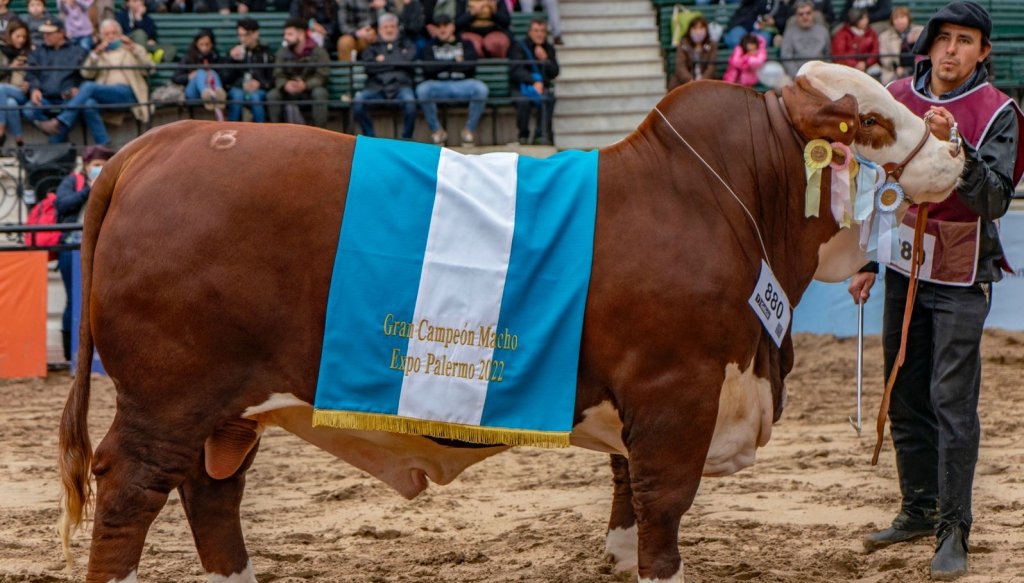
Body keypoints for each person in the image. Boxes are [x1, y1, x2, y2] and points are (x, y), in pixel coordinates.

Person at [850, 2, 1024, 580]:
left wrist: (961, 153)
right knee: (902, 390)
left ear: (983, 52)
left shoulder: (998, 112)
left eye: (965, 41)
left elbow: (994, 199)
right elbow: (877, 183)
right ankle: (918, 508)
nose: (952, 50)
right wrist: (868, 262)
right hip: (901, 264)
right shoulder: (895, 94)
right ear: (929, 44)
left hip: (963, 271)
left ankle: (954, 528)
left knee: (952, 402)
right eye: (943, 38)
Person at [36, 19, 153, 144]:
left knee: (88, 87)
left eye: (114, 33)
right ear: (101, 37)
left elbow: (150, 68)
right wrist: (96, 54)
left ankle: (60, 123)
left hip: (128, 93)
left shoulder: (131, 50)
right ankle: (103, 143)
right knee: (88, 103)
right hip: (105, 95)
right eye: (107, 34)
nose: (111, 37)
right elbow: (86, 73)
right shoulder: (99, 54)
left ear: (120, 34)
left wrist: (134, 48)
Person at [54, 144, 114, 361]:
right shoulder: (73, 181)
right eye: (97, 165)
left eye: (106, 164)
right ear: (87, 165)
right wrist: (89, 189)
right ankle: (70, 355)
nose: (102, 168)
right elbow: (62, 204)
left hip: (103, 250)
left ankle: (101, 354)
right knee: (74, 299)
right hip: (72, 249)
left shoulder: (114, 184)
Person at [417, 13, 487, 145]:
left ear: (453, 27)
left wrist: (441, 65)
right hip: (438, 86)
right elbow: (428, 70)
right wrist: (454, 61)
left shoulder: (466, 44)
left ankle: (468, 131)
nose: (442, 29)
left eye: (446, 25)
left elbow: (470, 67)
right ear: (435, 29)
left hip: (462, 85)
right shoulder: (428, 46)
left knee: (481, 89)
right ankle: (437, 131)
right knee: (422, 89)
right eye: (438, 26)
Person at [353, 12, 416, 137]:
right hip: (376, 87)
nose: (389, 30)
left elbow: (409, 61)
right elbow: (369, 68)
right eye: (385, 27)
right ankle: (370, 138)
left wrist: (382, 61)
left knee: (410, 103)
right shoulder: (371, 47)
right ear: (380, 30)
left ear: (397, 29)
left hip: (401, 86)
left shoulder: (407, 44)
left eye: (392, 26)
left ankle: (406, 139)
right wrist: (398, 59)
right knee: (358, 102)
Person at [24, 19, 87, 138]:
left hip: (67, 97)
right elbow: (32, 73)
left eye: (49, 34)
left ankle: (56, 136)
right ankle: (50, 128)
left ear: (61, 33)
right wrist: (34, 89)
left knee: (83, 103)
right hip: (45, 96)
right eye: (44, 33)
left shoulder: (77, 51)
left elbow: (86, 73)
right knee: (28, 109)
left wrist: (77, 88)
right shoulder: (38, 51)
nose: (45, 36)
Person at [269, 17, 330, 127]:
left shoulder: (319, 52)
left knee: (320, 93)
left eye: (290, 34)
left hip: (309, 90)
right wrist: (285, 85)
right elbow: (277, 73)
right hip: (289, 91)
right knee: (273, 95)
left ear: (301, 33)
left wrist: (305, 85)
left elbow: (322, 75)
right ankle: (276, 132)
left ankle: (320, 132)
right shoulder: (282, 52)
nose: (285, 37)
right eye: (285, 34)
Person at [508, 17, 556, 145]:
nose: (539, 34)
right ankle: (523, 136)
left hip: (541, 88)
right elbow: (516, 70)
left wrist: (545, 59)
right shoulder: (519, 46)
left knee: (548, 98)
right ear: (529, 32)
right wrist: (533, 82)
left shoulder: (548, 48)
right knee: (524, 101)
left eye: (542, 31)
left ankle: (540, 135)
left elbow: (554, 72)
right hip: (520, 87)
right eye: (536, 30)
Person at [224, 17, 273, 122]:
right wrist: (231, 60)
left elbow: (272, 78)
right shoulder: (234, 51)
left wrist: (260, 84)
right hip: (238, 88)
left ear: (256, 33)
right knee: (237, 96)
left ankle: (260, 132)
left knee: (255, 98)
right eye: (240, 35)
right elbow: (226, 79)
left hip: (259, 89)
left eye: (246, 35)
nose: (242, 39)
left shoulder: (266, 53)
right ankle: (232, 130)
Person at [173, 28, 226, 106]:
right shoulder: (188, 57)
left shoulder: (216, 56)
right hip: (192, 93)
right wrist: (188, 76)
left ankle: (218, 94)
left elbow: (223, 76)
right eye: (201, 44)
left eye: (207, 44)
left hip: (212, 86)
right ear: (196, 43)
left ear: (212, 44)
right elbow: (175, 77)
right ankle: (207, 94)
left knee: (211, 72)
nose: (204, 48)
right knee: (200, 72)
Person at [780, 0, 830, 79]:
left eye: (808, 13)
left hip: (820, 75)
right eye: (801, 14)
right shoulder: (789, 33)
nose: (805, 16)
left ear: (813, 14)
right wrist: (798, 76)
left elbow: (828, 55)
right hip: (796, 75)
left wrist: (823, 74)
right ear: (796, 16)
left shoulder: (823, 31)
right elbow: (786, 57)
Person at [0, 20, 31, 146]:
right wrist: (10, 68)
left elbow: (38, 74)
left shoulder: (31, 52)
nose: (21, 40)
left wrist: (30, 83)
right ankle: (19, 141)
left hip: (23, 92)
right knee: (10, 104)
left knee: (1, 88)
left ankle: (0, 129)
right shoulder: (1, 51)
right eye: (18, 36)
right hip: (4, 98)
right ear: (10, 35)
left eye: (24, 37)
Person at [668, 16, 717, 89]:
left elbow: (711, 66)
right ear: (689, 30)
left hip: (706, 84)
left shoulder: (711, 45)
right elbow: (680, 66)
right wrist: (689, 80)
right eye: (695, 28)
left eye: (701, 28)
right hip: (684, 83)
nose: (698, 31)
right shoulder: (683, 44)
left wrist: (702, 81)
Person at [832, 8, 881, 79]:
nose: (866, 21)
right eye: (863, 19)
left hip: (868, 66)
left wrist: (866, 63)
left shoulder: (871, 33)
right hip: (847, 68)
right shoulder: (842, 34)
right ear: (855, 20)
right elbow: (839, 56)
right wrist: (854, 64)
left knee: (876, 71)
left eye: (866, 18)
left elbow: (875, 51)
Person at [879, 5, 922, 84]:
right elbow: (884, 58)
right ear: (892, 21)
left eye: (902, 17)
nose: (899, 21)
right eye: (896, 18)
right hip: (894, 71)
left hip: (916, 69)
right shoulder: (884, 37)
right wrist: (896, 68)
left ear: (908, 19)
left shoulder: (919, 32)